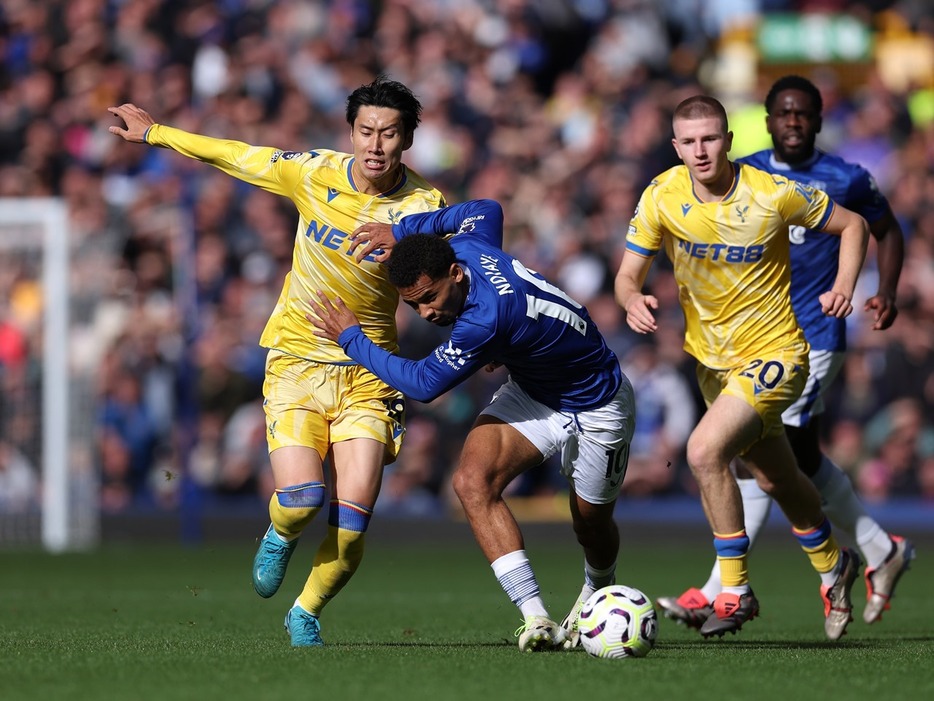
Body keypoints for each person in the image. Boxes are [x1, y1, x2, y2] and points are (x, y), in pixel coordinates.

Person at [108, 76, 446, 647]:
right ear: (351, 132)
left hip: (370, 371)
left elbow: (456, 275)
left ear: (407, 139)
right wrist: (155, 134)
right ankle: (280, 532)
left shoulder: (425, 206)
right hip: (295, 361)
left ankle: (306, 613)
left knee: (353, 521)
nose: (375, 145)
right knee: (302, 501)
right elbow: (239, 155)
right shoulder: (313, 171)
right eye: (366, 130)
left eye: (389, 133)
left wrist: (484, 339)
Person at [308, 198, 636, 652]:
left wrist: (351, 339)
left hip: (599, 402)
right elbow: (488, 207)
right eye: (413, 304)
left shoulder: (486, 319)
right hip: (535, 394)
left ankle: (596, 591)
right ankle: (536, 618)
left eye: (429, 298)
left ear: (456, 275)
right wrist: (403, 230)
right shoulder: (468, 245)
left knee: (590, 524)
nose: (425, 313)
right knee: (471, 482)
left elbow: (423, 384)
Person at [656, 75, 914, 630]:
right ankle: (873, 550)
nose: (793, 121)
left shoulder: (845, 177)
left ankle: (723, 588)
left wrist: (882, 289)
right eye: (783, 113)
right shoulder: (741, 171)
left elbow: (884, 229)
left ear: (818, 121)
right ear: (767, 122)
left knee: (730, 450)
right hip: (736, 346)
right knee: (780, 459)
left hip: (811, 335)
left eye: (804, 113)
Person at [614, 95, 871, 640]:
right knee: (777, 476)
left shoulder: (771, 192)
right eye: (690, 141)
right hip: (713, 364)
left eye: (711, 138)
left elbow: (854, 226)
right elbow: (626, 274)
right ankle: (834, 565)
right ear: (676, 146)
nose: (701, 150)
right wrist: (632, 297)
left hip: (776, 353)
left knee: (704, 451)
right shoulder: (662, 194)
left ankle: (734, 590)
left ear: (728, 139)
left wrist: (843, 287)